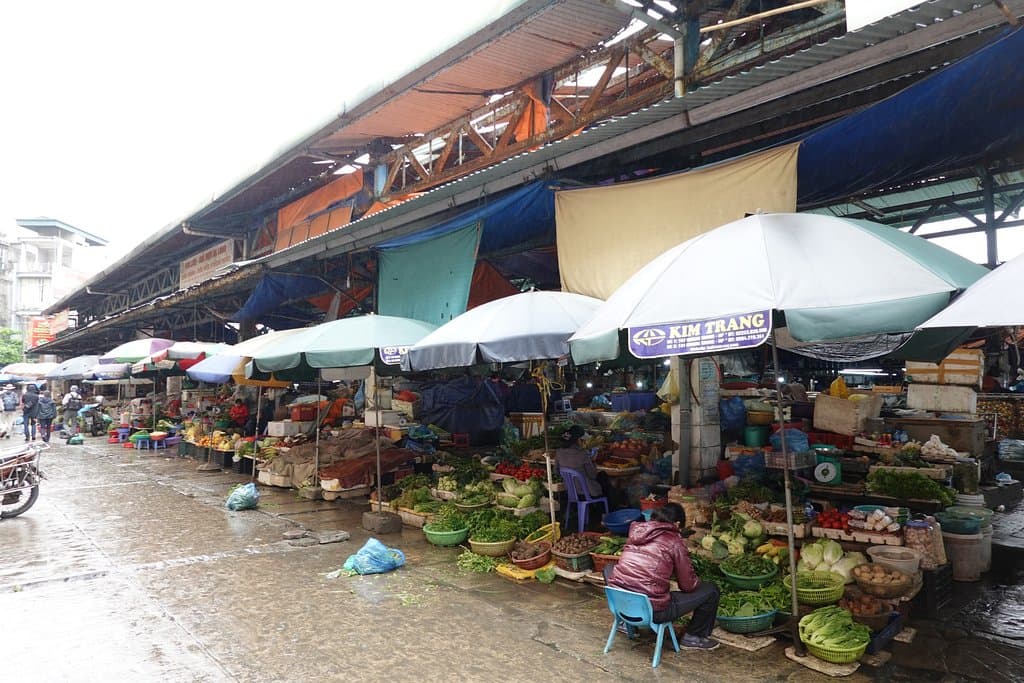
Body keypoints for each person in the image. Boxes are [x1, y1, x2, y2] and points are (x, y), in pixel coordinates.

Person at [608, 503, 721, 651]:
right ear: (677, 524)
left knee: (610, 569)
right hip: (654, 610)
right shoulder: (673, 540)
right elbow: (688, 586)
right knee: (711, 590)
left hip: (621, 605)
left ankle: (626, 623)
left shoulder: (636, 533)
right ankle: (694, 636)